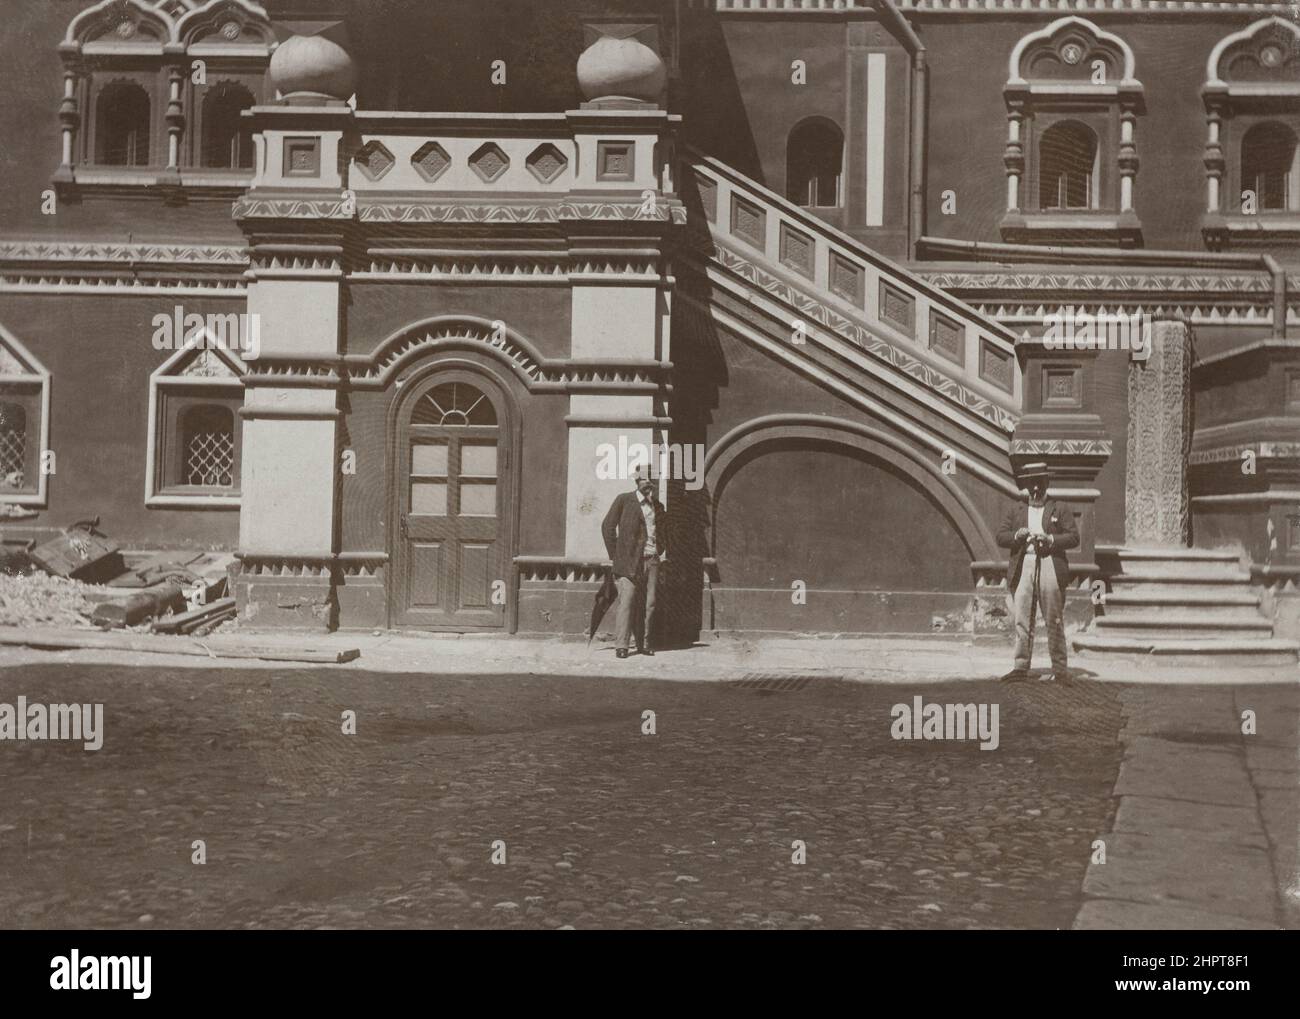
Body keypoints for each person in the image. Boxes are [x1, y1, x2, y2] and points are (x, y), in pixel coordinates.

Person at [996, 462, 1078, 684]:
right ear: (1026, 485)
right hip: (1024, 564)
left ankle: (1060, 670)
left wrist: (1050, 539)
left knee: (1054, 618)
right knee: (1022, 618)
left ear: (1047, 483)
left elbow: (1073, 537)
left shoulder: (1059, 508)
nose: (1035, 490)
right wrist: (1017, 535)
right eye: (1032, 484)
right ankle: (1020, 667)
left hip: (1050, 562)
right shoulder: (1017, 509)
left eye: (1039, 484)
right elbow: (1001, 536)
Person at [600, 467, 666, 659]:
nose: (647, 483)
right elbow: (607, 527)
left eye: (650, 479)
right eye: (644, 479)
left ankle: (644, 644)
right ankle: (622, 646)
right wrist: (616, 555)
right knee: (627, 602)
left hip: (651, 560)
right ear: (636, 482)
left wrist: (658, 550)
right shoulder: (624, 500)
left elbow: (664, 532)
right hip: (628, 562)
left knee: (650, 603)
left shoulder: (658, 507)